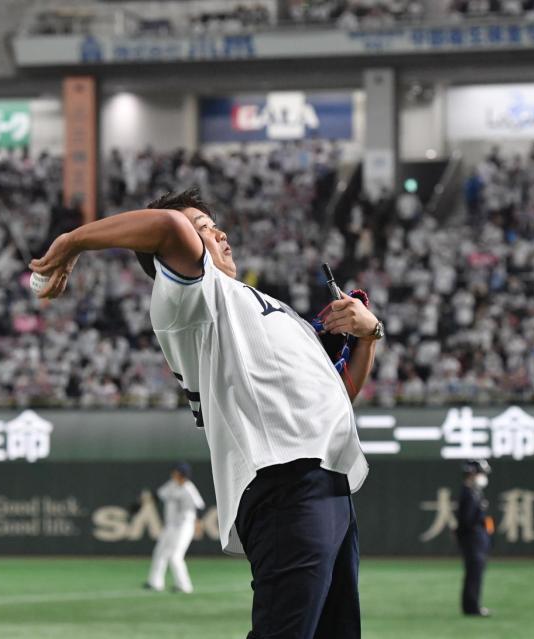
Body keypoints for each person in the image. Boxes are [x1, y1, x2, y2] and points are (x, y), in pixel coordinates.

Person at [30, 187, 381, 639]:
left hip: (329, 481)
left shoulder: (263, 309)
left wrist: (369, 337)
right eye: (202, 228)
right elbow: (167, 226)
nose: (217, 231)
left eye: (212, 224)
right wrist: (71, 240)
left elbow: (341, 392)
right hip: (283, 480)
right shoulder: (189, 300)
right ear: (168, 260)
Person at [145, 462, 205, 593]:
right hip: (170, 526)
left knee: (175, 556)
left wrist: (198, 524)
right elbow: (157, 495)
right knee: (160, 552)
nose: (173, 473)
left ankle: (184, 586)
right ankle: (155, 583)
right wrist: (139, 504)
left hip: (184, 526)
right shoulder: (172, 484)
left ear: (182, 474)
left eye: (176, 471)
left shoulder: (189, 489)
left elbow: (199, 507)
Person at [456, 459, 491, 617]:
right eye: (481, 473)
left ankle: (471, 606)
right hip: (472, 541)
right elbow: (467, 520)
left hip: (476, 539)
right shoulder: (468, 493)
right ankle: (472, 608)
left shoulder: (474, 492)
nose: (483, 477)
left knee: (475, 574)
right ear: (472, 474)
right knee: (473, 574)